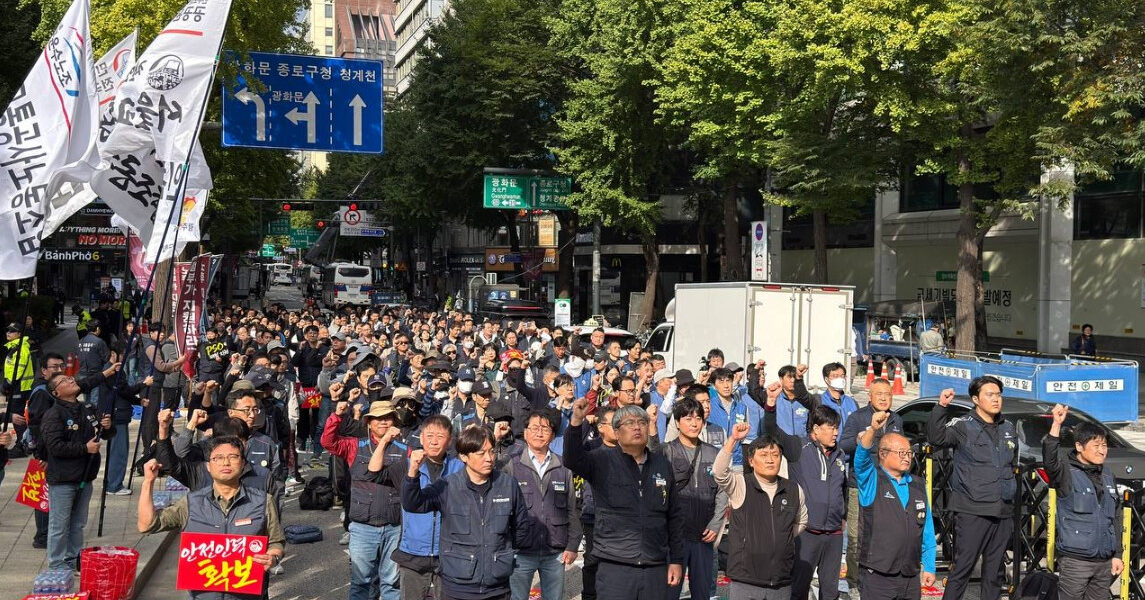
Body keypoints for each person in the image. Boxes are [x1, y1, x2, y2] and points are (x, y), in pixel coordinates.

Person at [137, 436, 286, 600]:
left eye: (233, 457)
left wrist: (273, 557)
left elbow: (276, 541)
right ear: (208, 466)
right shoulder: (191, 503)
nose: (225, 463)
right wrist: (148, 482)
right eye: (218, 458)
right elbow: (147, 525)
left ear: (243, 463)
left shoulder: (263, 501)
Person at [564, 401, 685, 600]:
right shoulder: (601, 460)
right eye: (629, 423)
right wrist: (577, 421)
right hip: (615, 566)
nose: (637, 427)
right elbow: (571, 458)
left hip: (655, 566)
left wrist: (676, 560)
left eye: (642, 422)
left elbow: (674, 516)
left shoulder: (661, 464)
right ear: (617, 432)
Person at [401, 425, 532, 600]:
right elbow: (413, 504)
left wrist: (502, 553)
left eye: (492, 452)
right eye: (481, 453)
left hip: (498, 587)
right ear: (464, 456)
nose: (489, 458)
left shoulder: (508, 484)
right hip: (457, 587)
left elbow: (521, 527)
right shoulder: (447, 485)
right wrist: (413, 472)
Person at [927, 380, 1016, 600]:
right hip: (973, 510)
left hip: (1002, 510)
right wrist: (941, 407)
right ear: (976, 399)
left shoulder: (1008, 428)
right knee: (962, 569)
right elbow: (937, 438)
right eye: (989, 394)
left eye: (998, 394)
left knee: (995, 573)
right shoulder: (963, 426)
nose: (996, 399)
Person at [763, 382, 847, 600]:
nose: (836, 433)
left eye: (837, 428)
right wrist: (770, 404)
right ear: (816, 429)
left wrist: (843, 516)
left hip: (834, 534)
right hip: (807, 532)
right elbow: (772, 431)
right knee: (798, 588)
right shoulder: (798, 447)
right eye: (831, 428)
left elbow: (843, 488)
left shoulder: (839, 455)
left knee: (831, 591)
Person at [322, 398, 407, 600]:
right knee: (361, 583)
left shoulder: (405, 449)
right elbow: (328, 442)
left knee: (392, 584)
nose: (383, 422)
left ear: (394, 421)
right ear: (368, 422)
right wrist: (337, 416)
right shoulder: (355, 445)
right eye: (378, 418)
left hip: (394, 526)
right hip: (362, 528)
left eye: (388, 418)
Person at [713, 421, 807, 600]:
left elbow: (801, 521)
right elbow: (719, 473)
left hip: (780, 582)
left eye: (775, 455)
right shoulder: (741, 484)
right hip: (745, 581)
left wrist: (782, 537)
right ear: (751, 461)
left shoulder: (793, 489)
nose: (770, 460)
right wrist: (733, 439)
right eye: (763, 455)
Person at [1042, 404, 1123, 600]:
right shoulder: (1066, 471)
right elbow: (1050, 460)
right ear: (1079, 446)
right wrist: (1056, 424)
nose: (1102, 451)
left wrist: (1117, 555)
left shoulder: (1107, 475)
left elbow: (1116, 517)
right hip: (1076, 562)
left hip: (1104, 561)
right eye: (1096, 445)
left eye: (1104, 445)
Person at [39, 370, 117, 570]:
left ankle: (73, 559)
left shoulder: (87, 408)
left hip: (86, 475)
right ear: (56, 393)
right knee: (59, 524)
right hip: (63, 479)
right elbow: (55, 447)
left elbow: (105, 434)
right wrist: (84, 448)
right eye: (64, 381)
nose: (71, 380)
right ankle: (56, 564)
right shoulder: (53, 414)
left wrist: (107, 426)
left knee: (78, 523)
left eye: (69, 377)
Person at [854, 410, 936, 599]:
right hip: (878, 574)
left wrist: (930, 566)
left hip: (910, 575)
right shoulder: (872, 479)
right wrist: (873, 429)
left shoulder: (917, 484)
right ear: (883, 454)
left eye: (909, 453)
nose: (907, 457)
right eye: (901, 453)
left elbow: (927, 529)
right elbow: (861, 459)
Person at [385, 415, 464, 600]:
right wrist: (413, 469)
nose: (434, 442)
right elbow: (372, 475)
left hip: (448, 552)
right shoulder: (405, 465)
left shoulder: (460, 468)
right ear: (421, 438)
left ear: (450, 441)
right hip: (413, 551)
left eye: (440, 436)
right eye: (429, 436)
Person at [503, 411, 580, 600]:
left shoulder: (563, 467)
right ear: (525, 433)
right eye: (534, 428)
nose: (539, 433)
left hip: (555, 552)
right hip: (521, 551)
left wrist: (572, 545)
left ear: (552, 435)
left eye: (545, 429)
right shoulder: (512, 466)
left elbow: (572, 509)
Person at [837, 378, 903, 592]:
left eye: (888, 394)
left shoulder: (896, 419)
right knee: (857, 537)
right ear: (870, 396)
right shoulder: (858, 417)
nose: (884, 398)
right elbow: (843, 445)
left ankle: (879, 579)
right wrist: (861, 438)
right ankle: (854, 584)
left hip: (889, 486)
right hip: (861, 486)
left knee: (884, 535)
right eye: (879, 394)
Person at [663, 397, 726, 600]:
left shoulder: (713, 453)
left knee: (702, 592)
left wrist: (716, 524)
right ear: (677, 422)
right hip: (675, 536)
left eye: (698, 418)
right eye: (688, 418)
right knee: (669, 591)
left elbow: (722, 491)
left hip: (703, 535)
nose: (694, 423)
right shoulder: (667, 451)